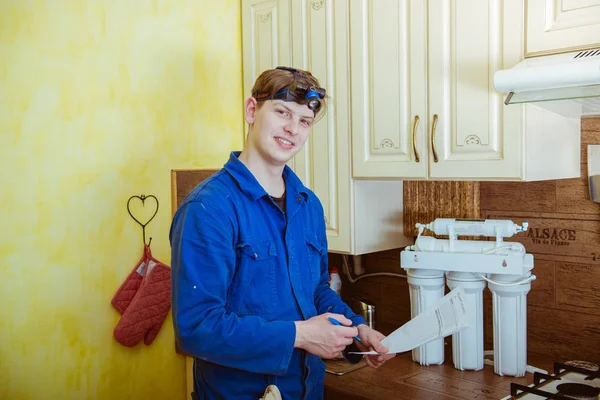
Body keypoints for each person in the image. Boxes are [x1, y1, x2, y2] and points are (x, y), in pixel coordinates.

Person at [170, 66, 395, 400]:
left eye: (304, 121)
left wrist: (355, 328)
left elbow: (315, 290)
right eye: (282, 112)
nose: (293, 128)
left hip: (307, 389)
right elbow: (196, 328)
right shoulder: (208, 209)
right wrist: (299, 335)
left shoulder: (309, 205)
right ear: (251, 111)